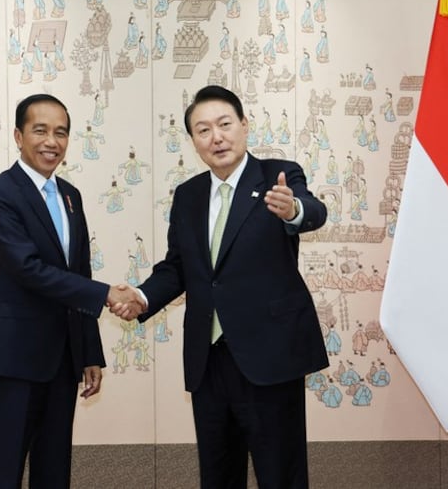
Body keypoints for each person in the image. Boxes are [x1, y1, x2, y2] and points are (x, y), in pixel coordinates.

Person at [112, 85, 328, 488]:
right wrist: (142, 297)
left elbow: (312, 209)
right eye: (203, 130)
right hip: (209, 361)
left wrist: (294, 210)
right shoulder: (188, 195)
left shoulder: (278, 175)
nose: (217, 137)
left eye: (225, 124)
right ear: (194, 141)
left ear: (244, 126)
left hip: (270, 356)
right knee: (218, 475)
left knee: (281, 474)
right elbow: (179, 267)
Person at [0, 94, 136, 488]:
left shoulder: (70, 196)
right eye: (41, 130)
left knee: (54, 471)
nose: (52, 141)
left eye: (61, 132)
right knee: (5, 469)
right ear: (18, 135)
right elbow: (28, 269)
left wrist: (89, 354)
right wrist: (105, 294)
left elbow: (77, 272)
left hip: (62, 360)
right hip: (15, 359)